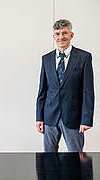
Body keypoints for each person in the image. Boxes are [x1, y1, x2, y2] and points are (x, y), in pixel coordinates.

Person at [36, 19, 94, 152]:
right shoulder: (46, 59)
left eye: (64, 33)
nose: (61, 37)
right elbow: (42, 91)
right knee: (49, 160)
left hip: (73, 117)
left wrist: (86, 119)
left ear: (71, 35)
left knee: (76, 160)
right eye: (57, 34)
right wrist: (39, 117)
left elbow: (88, 91)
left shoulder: (84, 57)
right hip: (50, 117)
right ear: (53, 36)